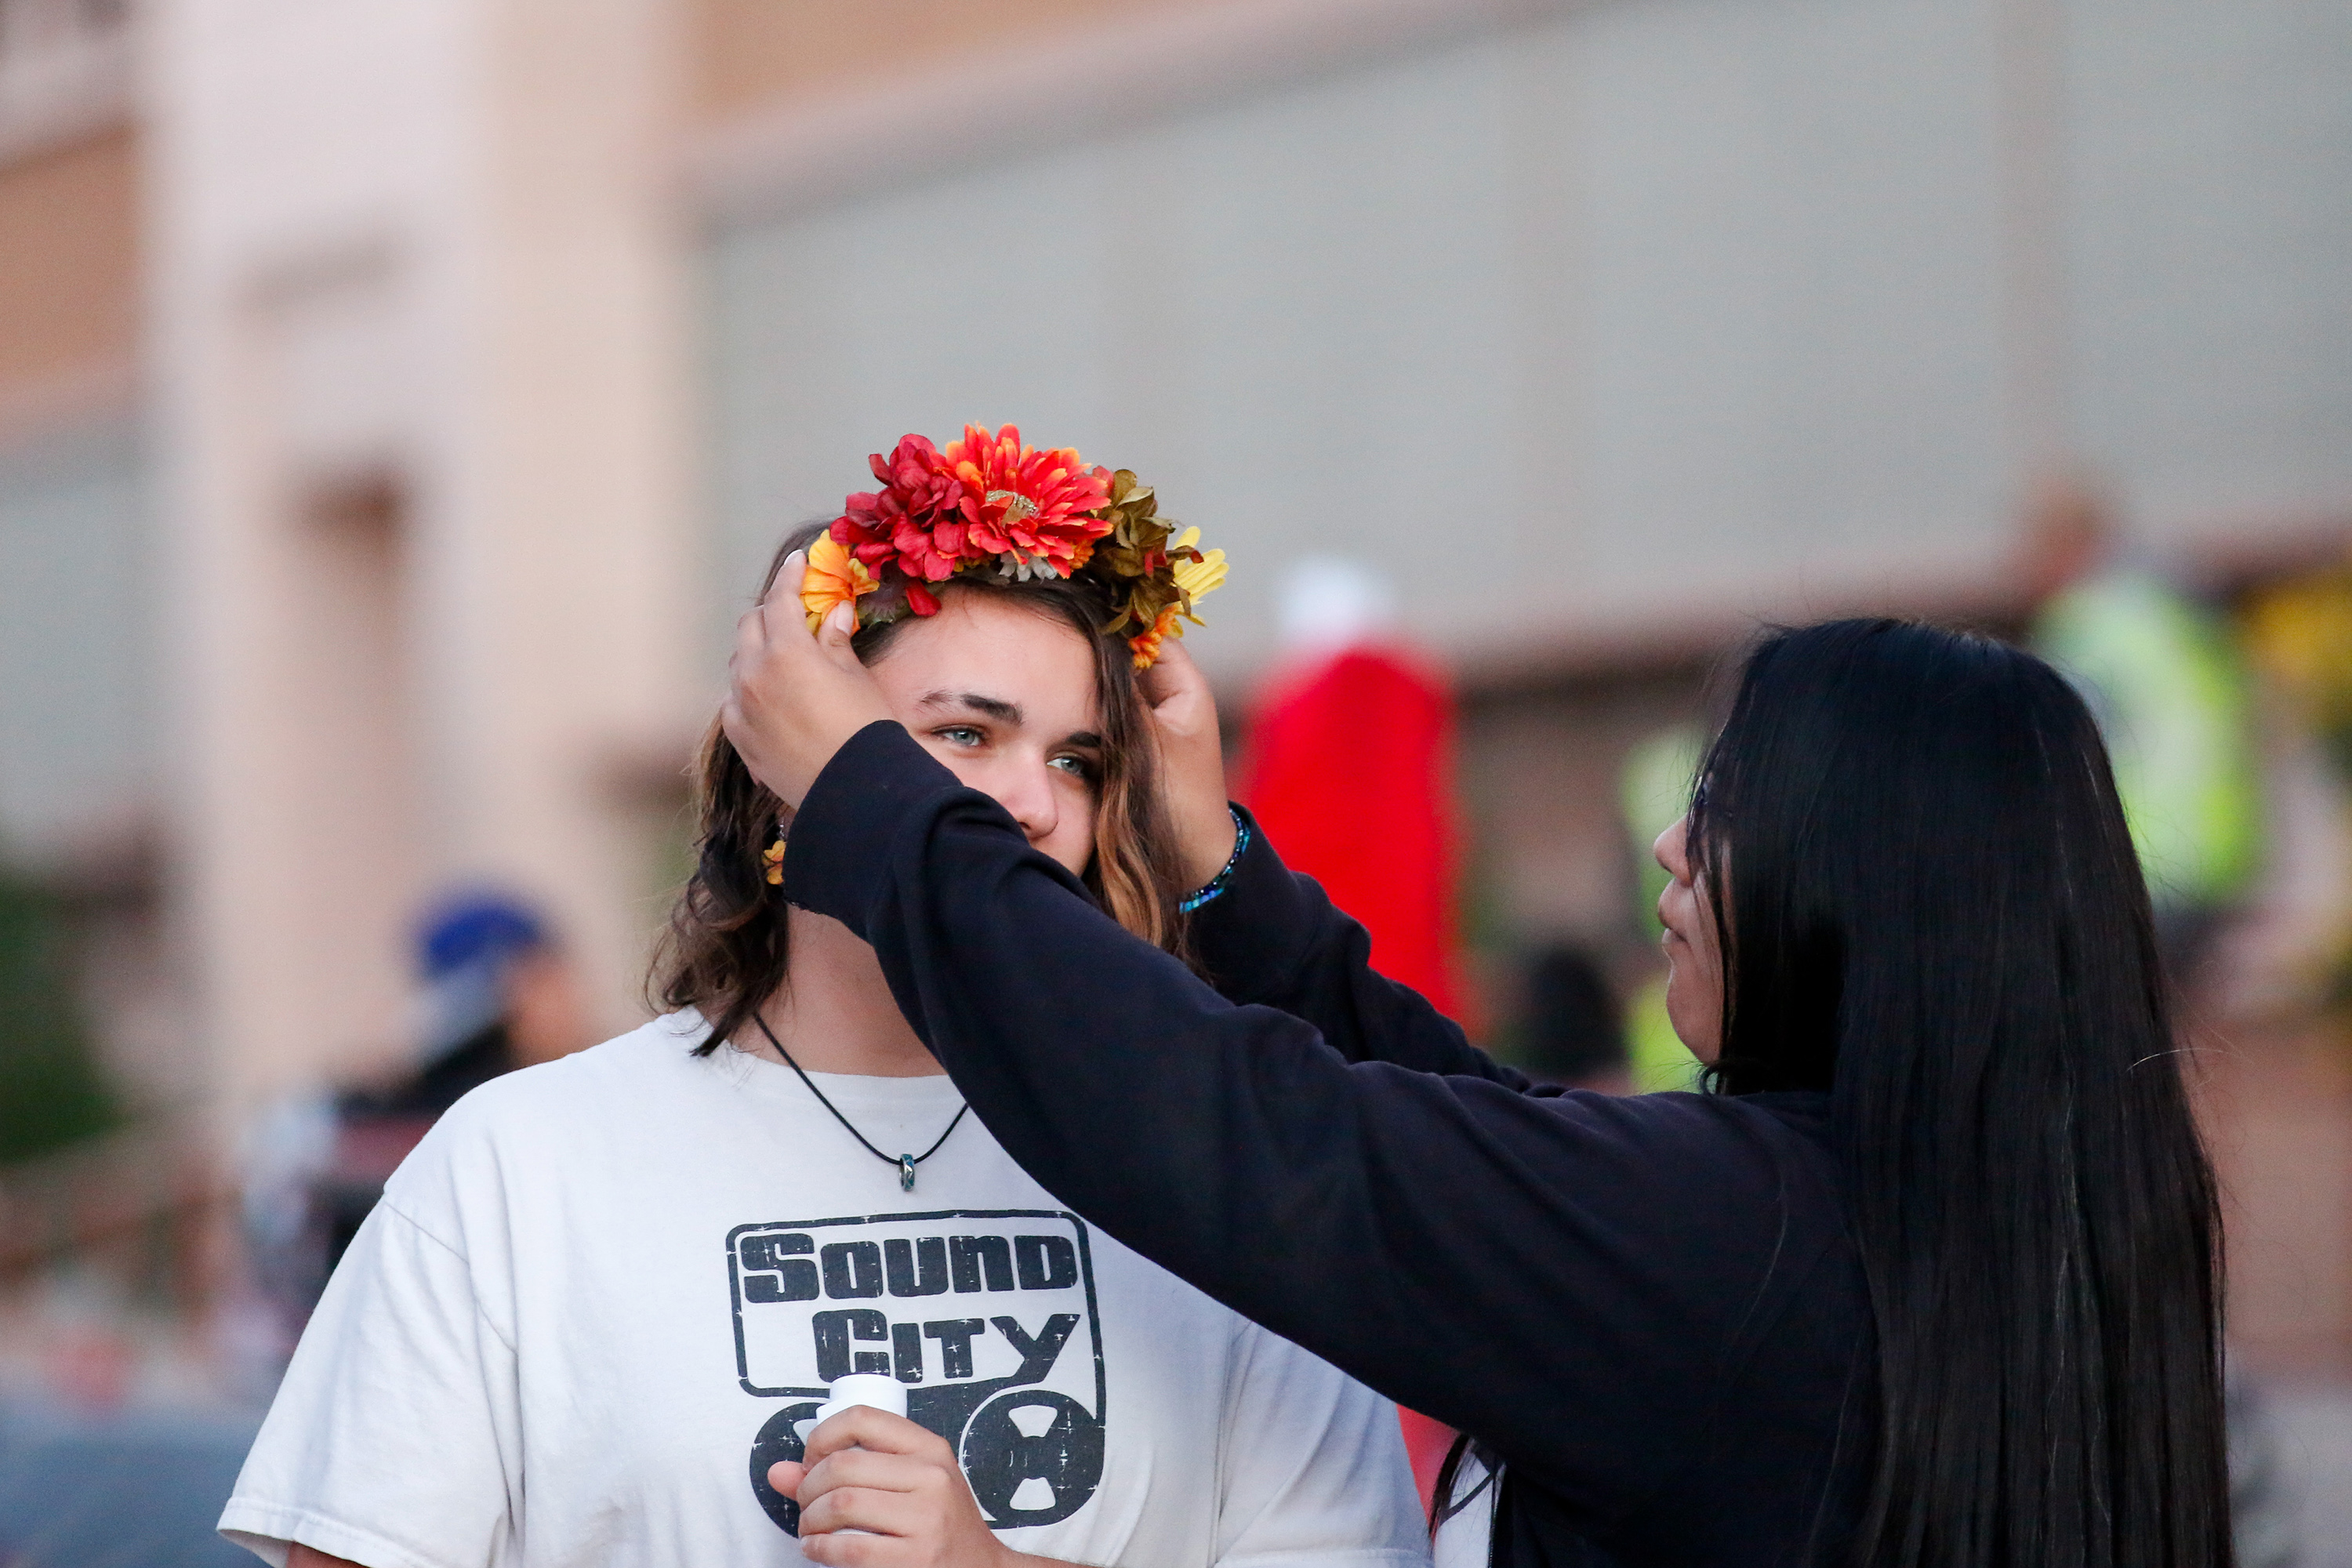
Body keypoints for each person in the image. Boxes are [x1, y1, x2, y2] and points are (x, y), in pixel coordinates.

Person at [724, 600, 2234, 1568]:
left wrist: (885, 804)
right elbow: (1497, 1150)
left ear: (1859, 888)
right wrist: (1225, 882)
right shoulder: (2009, 1224)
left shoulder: (1738, 1245)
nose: (1670, 848)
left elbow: (1252, 1129)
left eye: (1716, 805)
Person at [219, 424, 1425, 1568]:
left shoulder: (1238, 1163)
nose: (1036, 806)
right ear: (794, 766)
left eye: (1079, 759)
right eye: (963, 735)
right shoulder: (516, 1168)